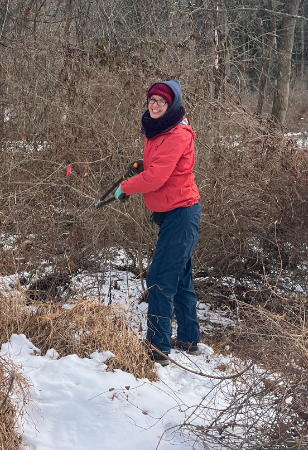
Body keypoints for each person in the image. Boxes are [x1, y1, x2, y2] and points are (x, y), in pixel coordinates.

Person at [116, 79, 201, 367]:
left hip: (182, 213)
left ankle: (158, 348)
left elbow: (157, 178)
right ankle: (189, 340)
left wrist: (127, 186)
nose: (154, 105)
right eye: (151, 100)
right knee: (180, 278)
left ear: (172, 105)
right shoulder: (157, 129)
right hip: (173, 213)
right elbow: (159, 165)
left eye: (161, 102)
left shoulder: (177, 134)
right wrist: (142, 165)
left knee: (159, 280)